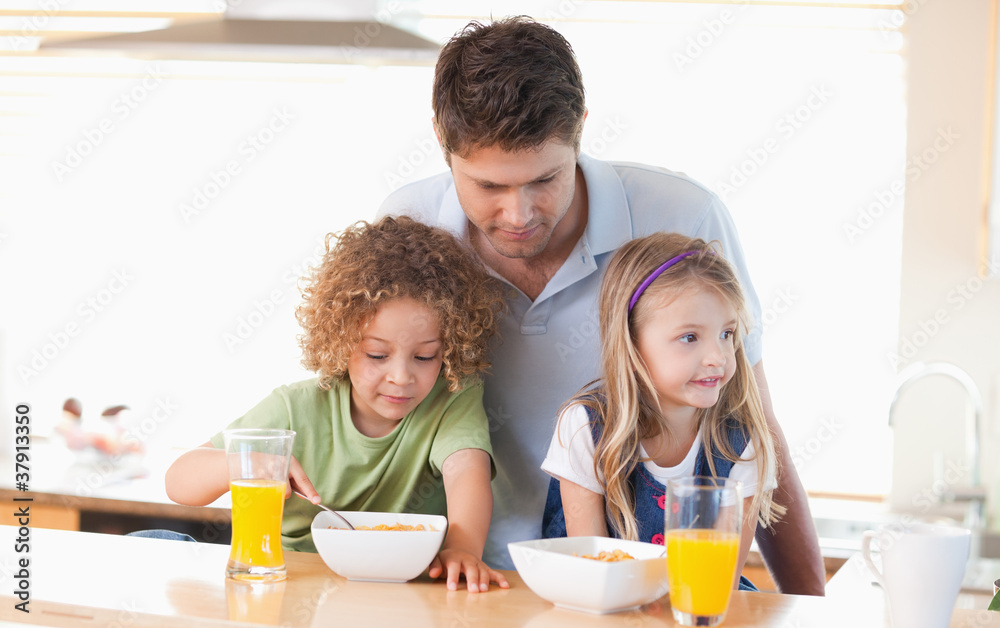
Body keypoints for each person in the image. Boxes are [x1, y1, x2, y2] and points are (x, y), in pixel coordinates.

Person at [378, 16, 826, 593]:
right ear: (442, 142)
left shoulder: (683, 217)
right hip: (460, 580)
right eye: (489, 187)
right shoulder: (410, 226)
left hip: (638, 584)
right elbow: (367, 411)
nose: (519, 215)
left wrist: (812, 606)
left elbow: (754, 424)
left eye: (545, 178)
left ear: (581, 132)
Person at [165, 216, 509, 593]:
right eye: (377, 355)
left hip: (399, 587)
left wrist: (462, 548)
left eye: (425, 357)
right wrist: (253, 464)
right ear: (341, 342)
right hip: (292, 580)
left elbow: (466, 473)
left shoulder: (451, 397)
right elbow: (179, 481)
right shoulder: (297, 406)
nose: (401, 376)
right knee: (160, 541)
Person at [540, 233, 784, 591]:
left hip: (699, 599)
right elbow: (591, 573)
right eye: (690, 337)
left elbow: (719, 582)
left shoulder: (742, 444)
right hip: (601, 601)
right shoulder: (584, 427)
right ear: (632, 341)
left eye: (727, 333)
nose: (718, 356)